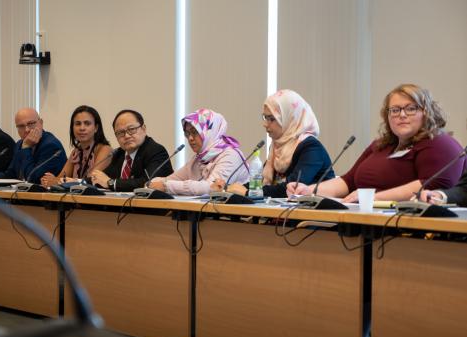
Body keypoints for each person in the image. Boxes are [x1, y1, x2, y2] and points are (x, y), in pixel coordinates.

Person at [288, 83, 466, 202]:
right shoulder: (381, 145)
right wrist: (309, 191)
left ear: (426, 112)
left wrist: (371, 197)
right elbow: (347, 182)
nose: (402, 115)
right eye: (395, 110)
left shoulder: (440, 143)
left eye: (411, 109)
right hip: (361, 221)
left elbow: (431, 185)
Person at [212, 89, 333, 198]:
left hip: (312, 219)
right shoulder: (277, 146)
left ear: (289, 118)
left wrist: (247, 193)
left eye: (272, 119)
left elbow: (291, 188)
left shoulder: (311, 148)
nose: (265, 124)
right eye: (265, 118)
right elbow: (261, 183)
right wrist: (228, 188)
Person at [149, 108, 248, 196]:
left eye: (195, 132)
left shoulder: (230, 155)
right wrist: (152, 183)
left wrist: (166, 186)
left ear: (209, 131)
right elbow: (170, 179)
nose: (190, 138)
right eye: (187, 133)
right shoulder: (199, 159)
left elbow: (212, 187)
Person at [0, 108, 66, 184]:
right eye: (21, 126)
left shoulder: (50, 146)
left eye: (31, 124)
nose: (27, 130)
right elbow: (11, 174)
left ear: (41, 123)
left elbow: (32, 178)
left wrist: (26, 148)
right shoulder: (20, 144)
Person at [89, 109, 173, 192]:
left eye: (132, 129)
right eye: (120, 132)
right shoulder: (119, 153)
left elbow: (147, 183)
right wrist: (79, 182)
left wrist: (110, 183)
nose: (126, 136)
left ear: (143, 128)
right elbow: (102, 178)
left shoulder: (156, 151)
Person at [40, 105, 112, 187]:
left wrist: (57, 181)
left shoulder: (105, 150)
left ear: (96, 128)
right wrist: (51, 180)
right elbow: (61, 178)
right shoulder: (76, 151)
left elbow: (91, 180)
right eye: (78, 124)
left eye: (87, 123)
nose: (82, 128)